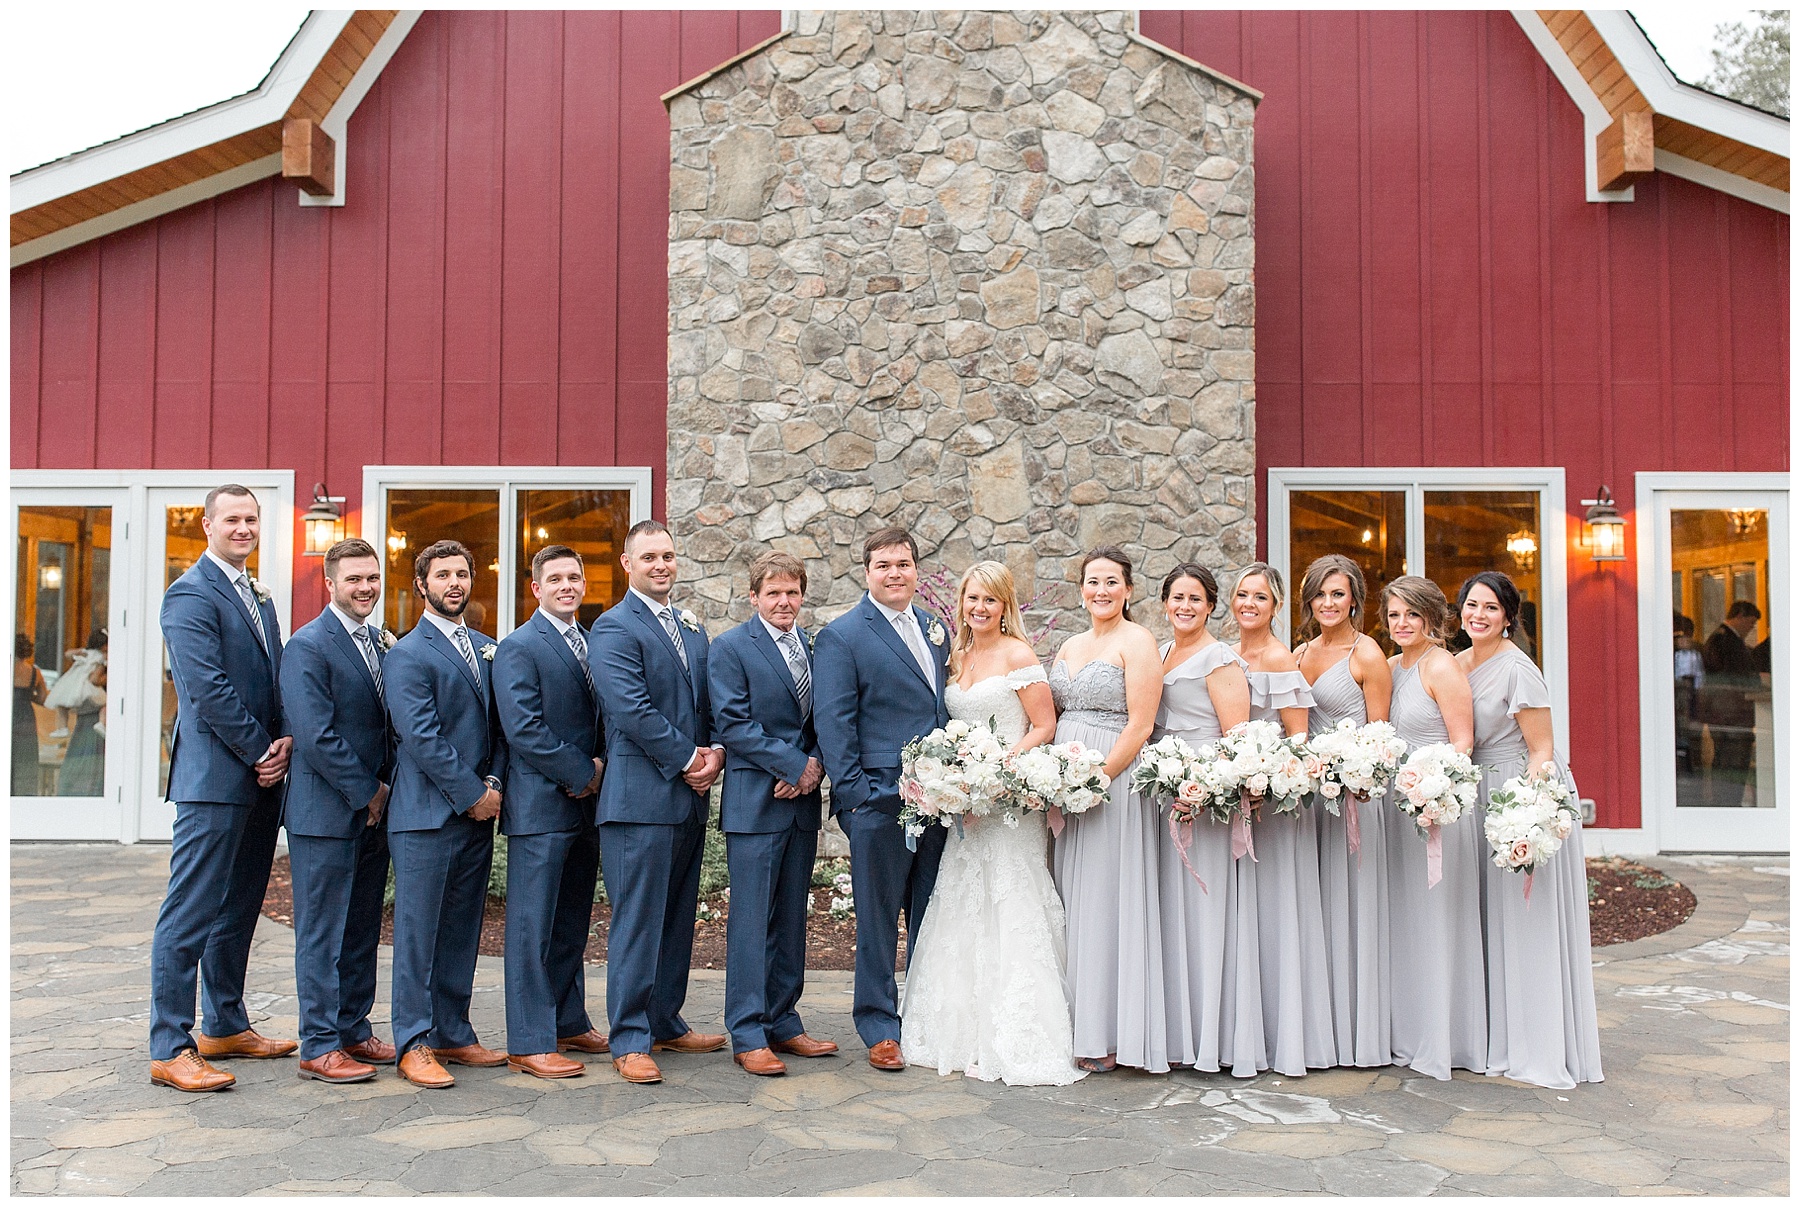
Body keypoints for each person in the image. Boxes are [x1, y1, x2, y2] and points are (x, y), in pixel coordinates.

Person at [902, 561, 1084, 1086]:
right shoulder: (956, 657)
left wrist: (998, 768)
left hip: (1008, 803)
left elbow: (1043, 725)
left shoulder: (1018, 655)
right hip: (968, 804)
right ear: (960, 602)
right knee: (964, 898)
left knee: (1011, 899)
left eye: (990, 600)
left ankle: (1019, 1032)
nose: (979, 608)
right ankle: (959, 1030)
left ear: (1006, 607)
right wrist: (956, 775)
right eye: (971, 599)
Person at [149, 484, 296, 1092]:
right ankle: (169, 1044)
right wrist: (260, 749)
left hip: (264, 777)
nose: (243, 528)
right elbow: (205, 689)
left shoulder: (258, 597)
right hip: (215, 777)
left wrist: (285, 740)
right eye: (231, 519)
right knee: (191, 910)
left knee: (239, 908)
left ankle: (227, 1023)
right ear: (206, 525)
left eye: (251, 519)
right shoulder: (188, 594)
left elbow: (278, 676)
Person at [590, 520, 727, 1085]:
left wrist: (716, 748)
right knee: (638, 922)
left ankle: (665, 1019)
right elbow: (631, 710)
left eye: (668, 556)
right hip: (639, 803)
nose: (661, 566)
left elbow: (707, 701)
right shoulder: (613, 627)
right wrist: (691, 760)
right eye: (649, 557)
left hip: (686, 802)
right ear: (628, 564)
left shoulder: (692, 629)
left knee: (675, 921)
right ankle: (628, 1037)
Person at [1457, 571, 1602, 1089]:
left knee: (1523, 919)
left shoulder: (1520, 670)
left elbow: (1541, 748)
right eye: (1472, 605)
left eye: (1491, 608)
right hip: (1475, 793)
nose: (1479, 615)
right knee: (1485, 917)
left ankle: (1537, 1043)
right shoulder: (1458, 664)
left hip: (1518, 791)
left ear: (1509, 617)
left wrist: (1528, 813)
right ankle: (1494, 1033)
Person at [812, 527, 950, 1072]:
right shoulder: (844, 635)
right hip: (878, 801)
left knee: (931, 914)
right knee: (876, 920)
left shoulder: (935, 628)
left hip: (939, 800)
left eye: (904, 563)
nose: (895, 573)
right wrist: (857, 799)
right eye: (883, 565)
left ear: (916, 570)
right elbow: (834, 722)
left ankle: (922, 1017)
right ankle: (878, 1025)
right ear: (866, 573)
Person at [383, 539, 511, 1089]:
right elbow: (421, 737)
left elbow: (500, 731)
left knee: (462, 929)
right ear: (422, 586)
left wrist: (495, 784)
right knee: (418, 934)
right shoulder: (406, 655)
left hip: (476, 813)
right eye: (443, 576)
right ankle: (414, 1041)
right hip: (425, 818)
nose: (454, 583)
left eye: (462, 573)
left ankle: (454, 1032)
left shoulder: (488, 648)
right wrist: (471, 793)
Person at [709, 552, 837, 1077]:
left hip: (800, 805)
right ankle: (748, 1030)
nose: (784, 602)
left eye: (792, 593)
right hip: (756, 804)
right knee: (751, 921)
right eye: (773, 593)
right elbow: (732, 723)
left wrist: (815, 766)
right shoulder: (731, 648)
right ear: (754, 597)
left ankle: (784, 1021)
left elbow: (829, 716)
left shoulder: (816, 646)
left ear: (802, 596)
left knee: (790, 919)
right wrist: (792, 765)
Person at [280, 539, 399, 1083]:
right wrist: (369, 791)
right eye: (354, 579)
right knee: (322, 932)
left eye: (372, 578)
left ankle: (353, 1026)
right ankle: (319, 1042)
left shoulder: (380, 642)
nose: (365, 587)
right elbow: (315, 734)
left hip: (375, 813)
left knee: (361, 927)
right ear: (330, 584)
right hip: (326, 812)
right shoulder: (308, 645)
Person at [493, 545, 609, 1080]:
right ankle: (529, 1039)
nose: (567, 585)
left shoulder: (591, 643)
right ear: (536, 589)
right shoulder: (519, 646)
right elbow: (524, 729)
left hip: (587, 809)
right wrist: (584, 773)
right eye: (555, 578)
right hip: (542, 807)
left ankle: (568, 1020)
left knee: (570, 923)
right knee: (531, 927)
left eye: (574, 576)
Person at [1050, 545, 1167, 1075]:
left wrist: (1097, 779)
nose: (1101, 591)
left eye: (1111, 582)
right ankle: (1071, 1022)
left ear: (1128, 589)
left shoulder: (1139, 642)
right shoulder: (1069, 645)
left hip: (1112, 787)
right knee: (1069, 900)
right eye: (1092, 582)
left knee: (1105, 903)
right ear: (1081, 589)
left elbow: (1140, 725)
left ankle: (1110, 1031)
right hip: (1063, 790)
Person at [1151, 564, 1258, 1077]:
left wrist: (1204, 788)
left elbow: (1237, 738)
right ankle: (1176, 1032)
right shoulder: (1161, 653)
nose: (1185, 606)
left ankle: (1212, 1036)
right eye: (1177, 597)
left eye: (1195, 598)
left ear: (1211, 606)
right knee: (1171, 914)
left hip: (1204, 799)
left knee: (1205, 912)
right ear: (1165, 603)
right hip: (1162, 792)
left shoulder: (1220, 659)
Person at [1230, 562, 1332, 1076]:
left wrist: (1265, 779)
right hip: (1230, 805)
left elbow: (1298, 741)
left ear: (1276, 607)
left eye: (1261, 597)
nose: (1249, 604)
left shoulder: (1279, 662)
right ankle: (1241, 1027)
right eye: (1243, 594)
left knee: (1273, 916)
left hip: (1273, 809)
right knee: (1241, 919)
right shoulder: (1224, 656)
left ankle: (1280, 1033)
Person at [1380, 576, 1485, 1080]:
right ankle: (1409, 1030)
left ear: (1433, 619)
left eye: (1412, 615)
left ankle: (1445, 1037)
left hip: (1433, 810)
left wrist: (1432, 791)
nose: (1402, 624)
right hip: (1395, 810)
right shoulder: (1392, 666)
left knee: (1436, 919)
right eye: (1394, 615)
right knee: (1405, 921)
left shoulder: (1440, 666)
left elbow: (1463, 742)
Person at [1293, 555, 1393, 1069]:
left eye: (1338, 594)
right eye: (1319, 594)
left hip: (1354, 796)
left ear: (1354, 597)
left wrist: (1353, 775)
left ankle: (1359, 1030)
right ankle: (1318, 1025)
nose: (1328, 604)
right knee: (1316, 906)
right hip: (1307, 800)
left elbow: (1381, 735)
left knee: (1353, 905)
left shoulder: (1368, 653)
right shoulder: (1300, 651)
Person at [1701, 599, 1763, 799]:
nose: (1751, 628)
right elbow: (1731, 677)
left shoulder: (1725, 640)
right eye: (1750, 623)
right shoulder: (1724, 642)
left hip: (1727, 714)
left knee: (1730, 763)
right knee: (1732, 763)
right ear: (1739, 616)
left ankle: (1728, 803)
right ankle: (1727, 805)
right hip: (1730, 715)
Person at [55, 629, 110, 798]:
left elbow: (68, 654)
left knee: (80, 757)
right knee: (92, 759)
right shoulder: (101, 661)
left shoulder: (87, 657)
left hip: (85, 715)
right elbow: (95, 679)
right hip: (93, 715)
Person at [13, 634, 47, 796]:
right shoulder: (35, 673)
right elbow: (42, 699)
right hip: (26, 717)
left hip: (9, 713)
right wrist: (27, 695)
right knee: (25, 760)